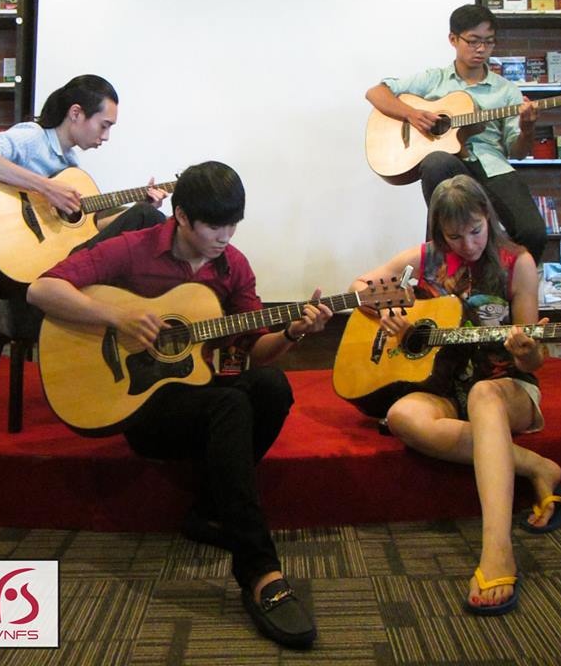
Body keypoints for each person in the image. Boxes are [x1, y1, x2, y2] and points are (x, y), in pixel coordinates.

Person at [27, 160, 332, 648]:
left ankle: (210, 509)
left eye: (233, 225)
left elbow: (256, 350)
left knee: (272, 386)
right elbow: (42, 289)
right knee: (231, 407)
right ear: (183, 216)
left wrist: (294, 332)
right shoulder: (133, 248)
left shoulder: (233, 266)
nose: (224, 237)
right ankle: (260, 571)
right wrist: (118, 318)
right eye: (214, 226)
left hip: (198, 399)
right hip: (139, 406)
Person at [350, 175, 561, 616]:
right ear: (439, 231)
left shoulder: (517, 263)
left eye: (475, 230)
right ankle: (536, 465)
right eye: (454, 236)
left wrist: (528, 352)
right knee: (401, 416)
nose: (468, 244)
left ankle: (497, 551)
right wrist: (389, 308)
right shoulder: (425, 258)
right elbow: (360, 287)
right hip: (444, 386)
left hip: (506, 386)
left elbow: (533, 361)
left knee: (483, 397)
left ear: (488, 218)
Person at [365, 3, 547, 263]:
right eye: (473, 41)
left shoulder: (506, 91)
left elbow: (518, 151)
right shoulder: (434, 79)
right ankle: (441, 266)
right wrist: (412, 114)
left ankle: (499, 278)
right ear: (453, 39)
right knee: (437, 161)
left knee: (533, 233)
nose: (481, 49)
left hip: (492, 167)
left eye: (489, 42)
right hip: (449, 167)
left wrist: (527, 129)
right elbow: (376, 92)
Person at [0, 74, 167, 253]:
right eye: (104, 126)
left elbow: (88, 229)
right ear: (76, 113)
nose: (106, 136)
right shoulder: (34, 137)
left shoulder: (71, 164)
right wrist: (45, 187)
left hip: (43, 254)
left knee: (145, 216)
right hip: (9, 244)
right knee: (147, 217)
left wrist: (136, 210)